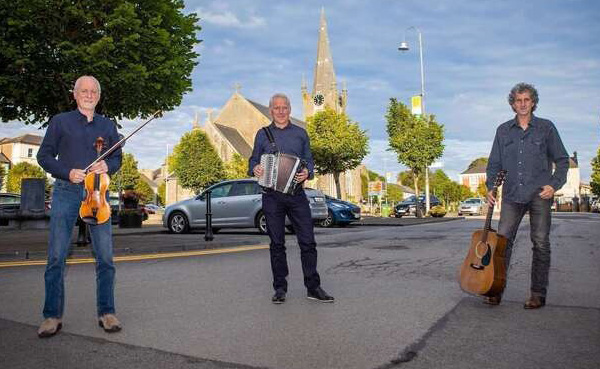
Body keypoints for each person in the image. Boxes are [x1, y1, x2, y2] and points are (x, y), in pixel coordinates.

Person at [36, 75, 123, 337]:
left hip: (98, 194)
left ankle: (107, 312)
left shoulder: (108, 126)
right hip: (66, 191)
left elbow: (117, 157)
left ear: (99, 95)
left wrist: (108, 165)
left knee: (105, 258)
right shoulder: (60, 121)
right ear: (74, 94)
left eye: (94, 90)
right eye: (83, 90)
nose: (89, 94)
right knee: (56, 257)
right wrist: (67, 172)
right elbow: (44, 156)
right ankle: (52, 316)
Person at [485, 82, 569, 309]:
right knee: (502, 243)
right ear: (513, 104)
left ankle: (537, 294)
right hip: (512, 194)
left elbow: (562, 160)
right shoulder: (502, 130)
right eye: (518, 100)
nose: (522, 104)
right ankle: (495, 288)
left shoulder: (546, 128)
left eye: (527, 100)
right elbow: (494, 163)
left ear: (533, 102)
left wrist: (554, 184)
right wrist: (491, 187)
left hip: (540, 194)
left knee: (540, 243)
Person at [248, 93, 334, 304]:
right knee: (276, 244)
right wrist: (255, 168)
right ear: (271, 110)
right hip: (272, 196)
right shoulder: (262, 134)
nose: (280, 110)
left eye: (284, 107)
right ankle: (280, 288)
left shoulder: (301, 134)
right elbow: (252, 160)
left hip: (296, 195)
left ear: (290, 109)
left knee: (308, 242)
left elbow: (309, 161)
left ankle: (313, 287)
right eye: (276, 107)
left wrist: (308, 173)